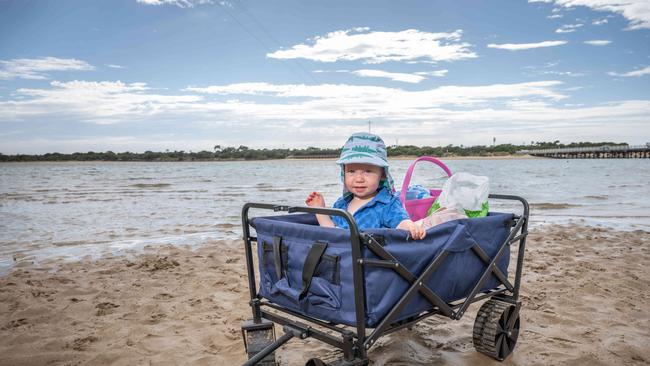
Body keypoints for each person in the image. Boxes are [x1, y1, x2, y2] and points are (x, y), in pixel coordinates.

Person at [305, 132, 426, 240]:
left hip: (370, 260)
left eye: (367, 171)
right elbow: (332, 232)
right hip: (341, 258)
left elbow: (400, 222)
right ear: (343, 173)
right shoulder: (341, 204)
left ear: (383, 175)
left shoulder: (387, 204)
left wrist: (410, 226)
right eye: (351, 172)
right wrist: (320, 210)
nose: (359, 179)